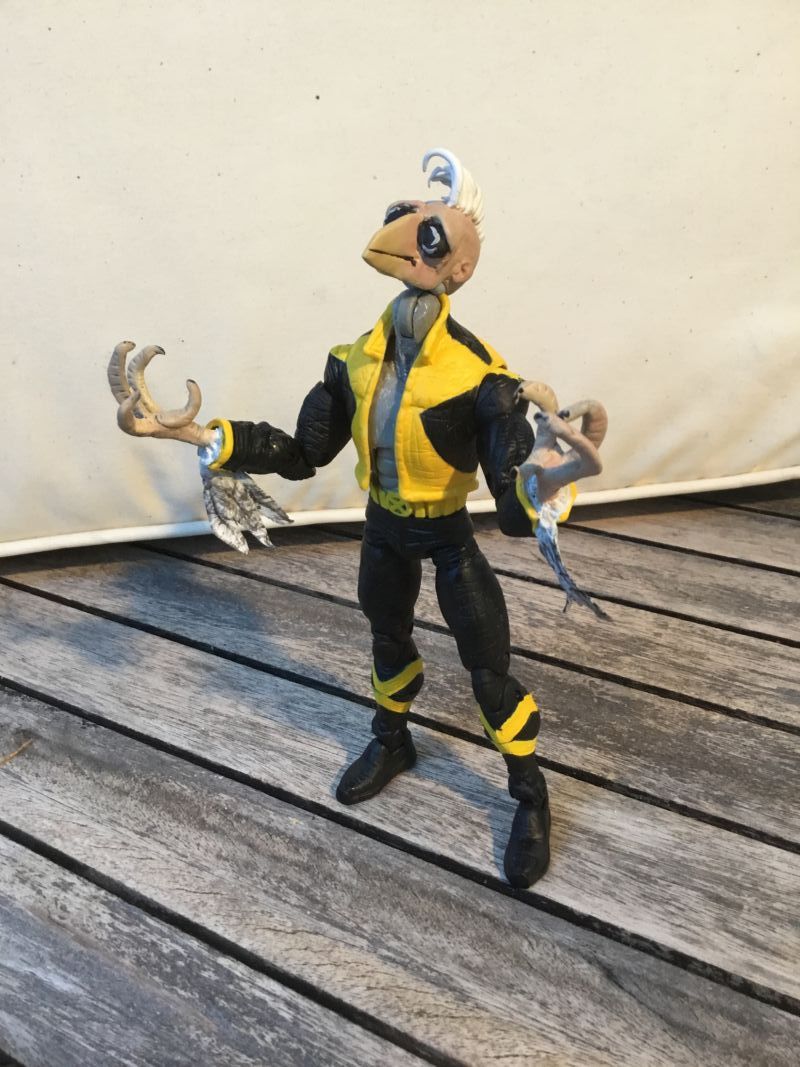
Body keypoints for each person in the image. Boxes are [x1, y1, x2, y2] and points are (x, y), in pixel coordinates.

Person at [108, 148, 606, 887]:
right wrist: (207, 437)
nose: (406, 240)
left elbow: (508, 506)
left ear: (461, 267)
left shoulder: (484, 379)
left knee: (488, 672)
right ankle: (393, 738)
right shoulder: (354, 361)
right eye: (401, 221)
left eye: (429, 234)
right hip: (383, 527)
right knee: (386, 636)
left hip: (447, 533)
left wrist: (549, 478)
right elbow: (303, 451)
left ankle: (530, 794)